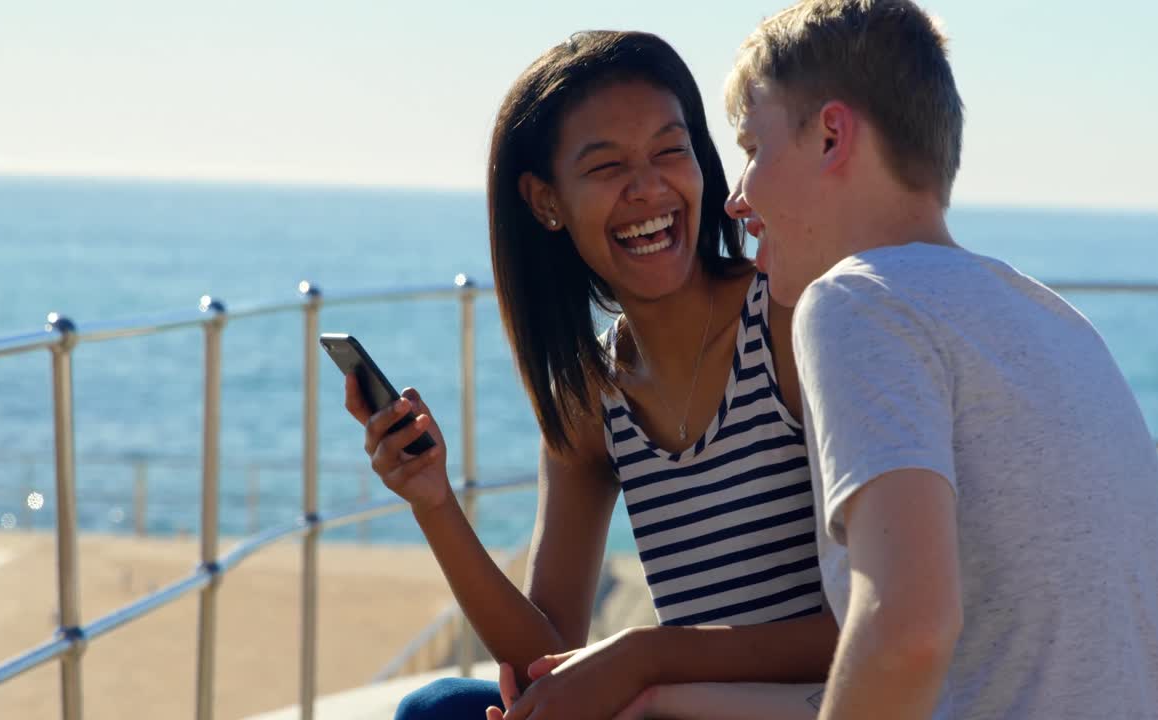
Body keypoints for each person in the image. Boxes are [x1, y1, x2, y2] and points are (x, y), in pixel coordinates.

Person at [346, 30, 837, 720]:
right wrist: (433, 502)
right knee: (440, 709)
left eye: (671, 151)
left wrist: (646, 657)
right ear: (546, 202)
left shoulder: (786, 323)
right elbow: (543, 658)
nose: (649, 189)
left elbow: (872, 625)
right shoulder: (591, 398)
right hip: (675, 705)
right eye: (607, 167)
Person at [722, 1, 1158, 718]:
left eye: (754, 148)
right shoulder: (1056, 323)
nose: (736, 197)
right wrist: (663, 696)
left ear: (830, 136)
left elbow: (906, 636)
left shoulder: (858, 300)